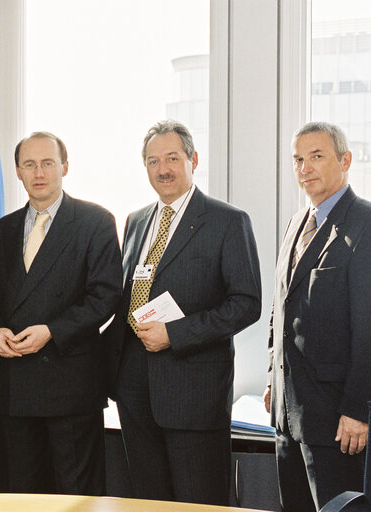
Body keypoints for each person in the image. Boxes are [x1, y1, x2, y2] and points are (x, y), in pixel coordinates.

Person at [104, 120, 261, 505]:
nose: (163, 169)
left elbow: (246, 304)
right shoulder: (136, 220)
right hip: (134, 385)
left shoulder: (227, 221)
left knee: (197, 500)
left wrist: (175, 333)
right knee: (148, 498)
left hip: (193, 391)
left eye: (173, 158)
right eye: (153, 161)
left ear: (193, 159)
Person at [263, 122, 371, 512]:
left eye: (317, 156)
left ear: (345, 160)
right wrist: (274, 379)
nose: (305, 168)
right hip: (290, 417)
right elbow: (281, 306)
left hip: (339, 421)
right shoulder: (296, 223)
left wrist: (359, 411)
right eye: (297, 159)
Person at [0, 131, 122, 495]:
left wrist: (52, 331)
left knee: (77, 495)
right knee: (24, 495)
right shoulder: (0, 231)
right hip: (18, 388)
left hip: (71, 384)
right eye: (29, 164)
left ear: (65, 167)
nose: (38, 172)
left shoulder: (95, 221)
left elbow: (105, 296)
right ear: (17, 171)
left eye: (47, 163)